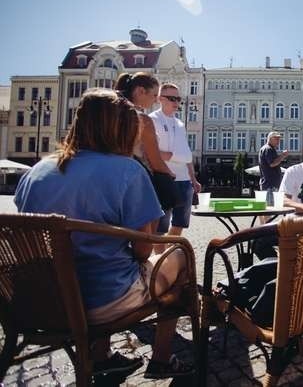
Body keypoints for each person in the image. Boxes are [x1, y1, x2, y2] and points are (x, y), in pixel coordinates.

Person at [14, 89, 194, 380]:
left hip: (42, 298)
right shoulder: (128, 171)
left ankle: (102, 357)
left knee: (96, 260)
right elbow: (142, 251)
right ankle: (161, 359)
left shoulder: (36, 171)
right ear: (122, 128)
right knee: (179, 254)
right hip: (103, 302)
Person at [149, 83, 201, 241]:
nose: (176, 103)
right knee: (160, 227)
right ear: (160, 99)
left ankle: (170, 254)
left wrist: (193, 179)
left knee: (180, 224)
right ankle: (161, 259)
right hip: (164, 179)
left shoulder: (180, 124)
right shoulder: (152, 120)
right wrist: (173, 155)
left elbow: (187, 154)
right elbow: (151, 152)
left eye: (178, 99)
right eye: (172, 98)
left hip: (184, 180)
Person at [114, 72, 174, 178]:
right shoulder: (142, 120)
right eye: (155, 95)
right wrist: (171, 176)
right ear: (140, 91)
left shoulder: (110, 115)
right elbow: (156, 162)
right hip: (133, 176)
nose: (156, 101)